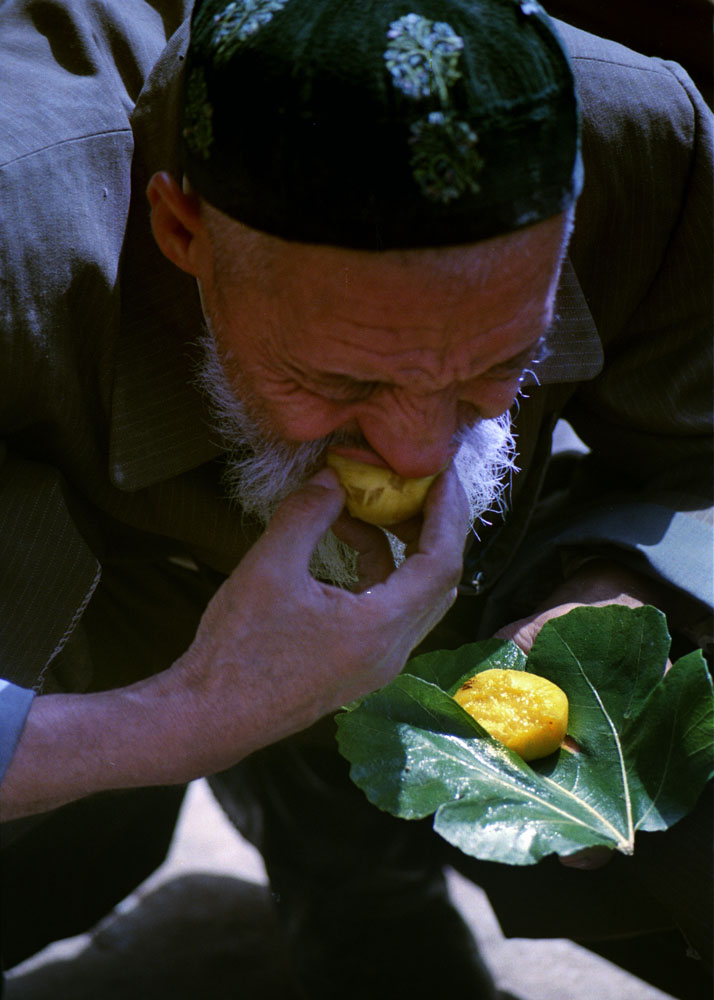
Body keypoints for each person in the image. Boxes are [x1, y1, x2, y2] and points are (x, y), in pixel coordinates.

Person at [0, 0, 711, 996]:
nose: (418, 449)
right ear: (182, 227)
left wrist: (606, 600)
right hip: (94, 634)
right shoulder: (16, 218)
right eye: (341, 381)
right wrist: (179, 715)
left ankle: (355, 866)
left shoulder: (645, 137)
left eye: (496, 366)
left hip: (498, 591)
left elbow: (701, 463)